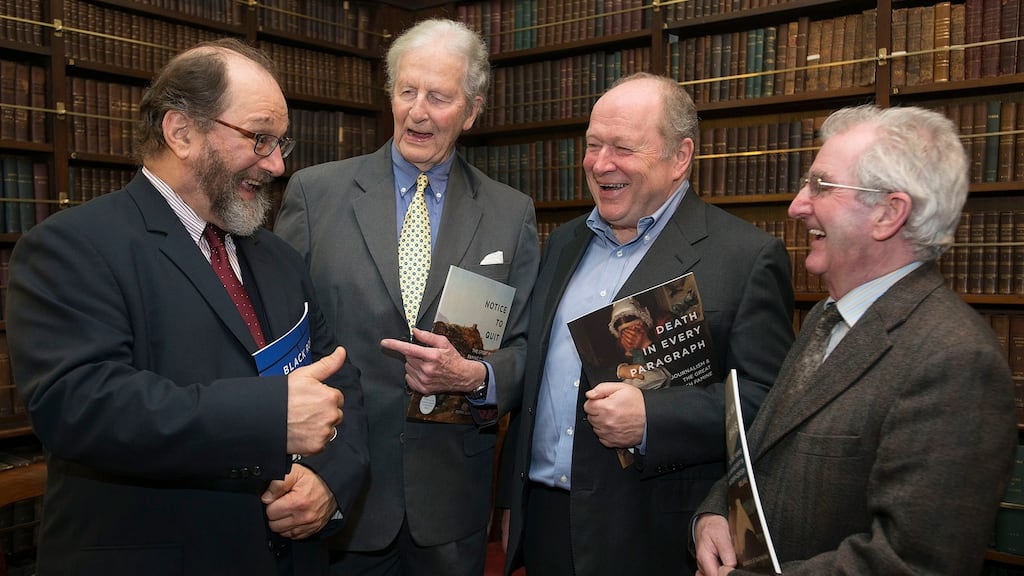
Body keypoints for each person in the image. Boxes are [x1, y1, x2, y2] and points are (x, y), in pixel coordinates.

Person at [5, 39, 369, 576]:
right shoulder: (72, 245)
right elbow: (80, 405)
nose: (274, 164)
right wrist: (269, 419)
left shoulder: (279, 258)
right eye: (259, 138)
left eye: (279, 144)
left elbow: (342, 386)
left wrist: (329, 484)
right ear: (181, 131)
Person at [692, 104, 1017, 575]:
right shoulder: (831, 318)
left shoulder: (955, 361)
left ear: (889, 213)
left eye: (821, 185)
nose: (798, 205)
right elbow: (764, 453)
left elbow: (913, 564)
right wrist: (714, 512)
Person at [499, 72, 795, 576]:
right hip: (545, 522)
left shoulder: (744, 258)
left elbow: (769, 405)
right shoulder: (564, 242)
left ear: (680, 157)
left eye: (623, 148)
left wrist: (655, 420)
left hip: (651, 533)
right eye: (592, 145)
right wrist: (514, 501)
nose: (599, 163)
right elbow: (537, 385)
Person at [273, 18, 540, 576]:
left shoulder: (510, 214)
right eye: (407, 91)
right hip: (336, 489)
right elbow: (280, 337)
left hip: (450, 503)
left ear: (471, 110)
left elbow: (523, 350)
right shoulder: (314, 195)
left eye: (439, 98)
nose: (418, 112)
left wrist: (475, 378)